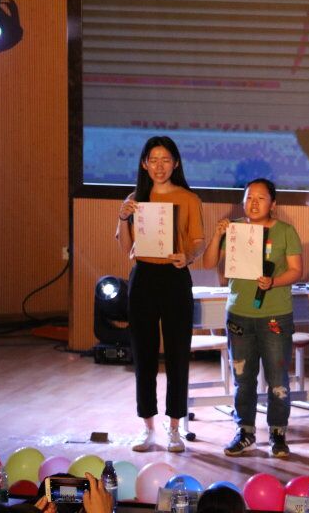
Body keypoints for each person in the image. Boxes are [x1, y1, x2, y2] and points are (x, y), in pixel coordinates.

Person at [201, 178, 304, 458]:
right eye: (249, 198)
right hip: (239, 314)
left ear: (273, 203)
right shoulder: (234, 229)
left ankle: (278, 433)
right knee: (243, 378)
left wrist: (274, 281)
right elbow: (208, 263)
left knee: (277, 378)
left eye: (260, 198)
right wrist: (217, 235)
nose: (253, 203)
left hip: (275, 315)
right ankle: (245, 431)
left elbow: (296, 270)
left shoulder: (285, 231)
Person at [116, 136, 204, 452]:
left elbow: (198, 241)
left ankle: (175, 428)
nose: (159, 166)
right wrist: (122, 217)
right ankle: (147, 427)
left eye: (166, 159)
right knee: (144, 354)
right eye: (153, 160)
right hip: (143, 278)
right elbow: (126, 248)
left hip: (175, 277)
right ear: (144, 164)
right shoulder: (135, 199)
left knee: (178, 353)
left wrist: (187, 257)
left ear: (176, 163)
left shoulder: (189, 198)